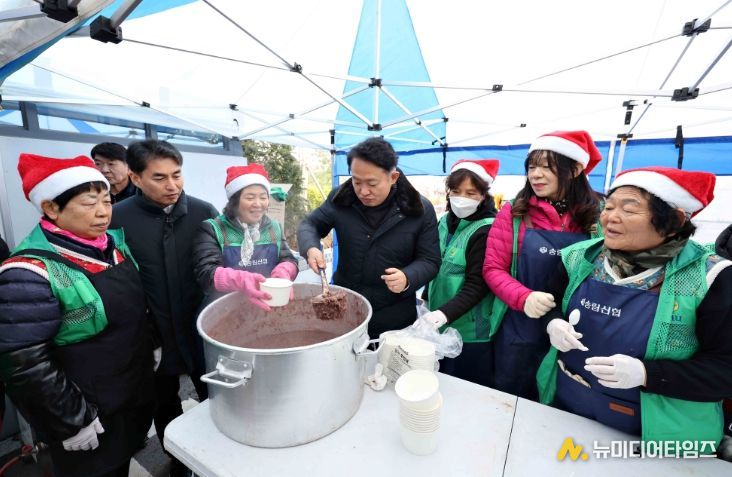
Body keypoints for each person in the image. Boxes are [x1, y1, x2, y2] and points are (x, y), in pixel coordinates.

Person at [536, 166, 732, 453]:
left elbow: (725, 370)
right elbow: (550, 303)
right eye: (609, 207)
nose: (610, 217)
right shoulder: (579, 258)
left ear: (675, 220)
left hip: (664, 439)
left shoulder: (711, 278)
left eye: (629, 209)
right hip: (571, 411)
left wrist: (646, 374)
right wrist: (552, 322)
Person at [0, 154, 155, 477]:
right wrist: (71, 421)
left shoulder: (113, 246)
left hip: (128, 396)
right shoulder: (29, 271)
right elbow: (25, 363)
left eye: (106, 201)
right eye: (88, 203)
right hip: (86, 413)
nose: (103, 212)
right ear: (51, 208)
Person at [110, 140, 217, 477]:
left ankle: (217, 458)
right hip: (151, 335)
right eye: (159, 177)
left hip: (201, 329)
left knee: (215, 396)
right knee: (164, 403)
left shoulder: (203, 212)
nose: (172, 185)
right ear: (135, 177)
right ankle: (178, 462)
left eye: (177, 175)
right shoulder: (117, 219)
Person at [483, 130, 604, 399]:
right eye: (531, 167)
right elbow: (493, 268)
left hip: (575, 329)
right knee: (512, 396)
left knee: (566, 399)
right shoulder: (515, 212)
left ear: (575, 169)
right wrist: (523, 297)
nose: (535, 175)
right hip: (521, 325)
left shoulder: (600, 214)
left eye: (547, 167)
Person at [298, 137, 440, 338]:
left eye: (372, 183)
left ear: (393, 177)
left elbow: (430, 260)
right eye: (357, 182)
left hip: (394, 316)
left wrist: (408, 277)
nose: (363, 191)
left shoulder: (418, 209)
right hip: (346, 308)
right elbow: (310, 224)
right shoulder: (341, 199)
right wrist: (311, 247)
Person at [420, 159, 500, 386]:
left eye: (470, 193)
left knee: (466, 388)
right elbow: (435, 264)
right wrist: (425, 299)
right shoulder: (445, 222)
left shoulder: (486, 230)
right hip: (440, 323)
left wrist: (442, 314)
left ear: (483, 195)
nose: (461, 198)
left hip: (471, 331)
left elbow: (478, 286)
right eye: (455, 191)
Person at [193, 164, 298, 309]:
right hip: (227, 309)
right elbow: (206, 274)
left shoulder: (274, 227)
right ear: (234, 201)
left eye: (263, 197)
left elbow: (289, 259)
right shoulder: (213, 229)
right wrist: (241, 280)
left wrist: (285, 270)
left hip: (268, 304)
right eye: (250, 197)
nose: (258, 204)